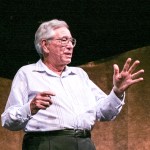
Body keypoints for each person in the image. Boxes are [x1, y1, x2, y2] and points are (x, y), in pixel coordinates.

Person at [1, 19, 144, 150]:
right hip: (47, 144)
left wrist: (117, 91)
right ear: (45, 45)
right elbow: (8, 120)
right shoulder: (27, 73)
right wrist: (30, 108)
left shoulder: (79, 75)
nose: (70, 46)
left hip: (84, 143)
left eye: (71, 41)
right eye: (64, 40)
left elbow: (104, 112)